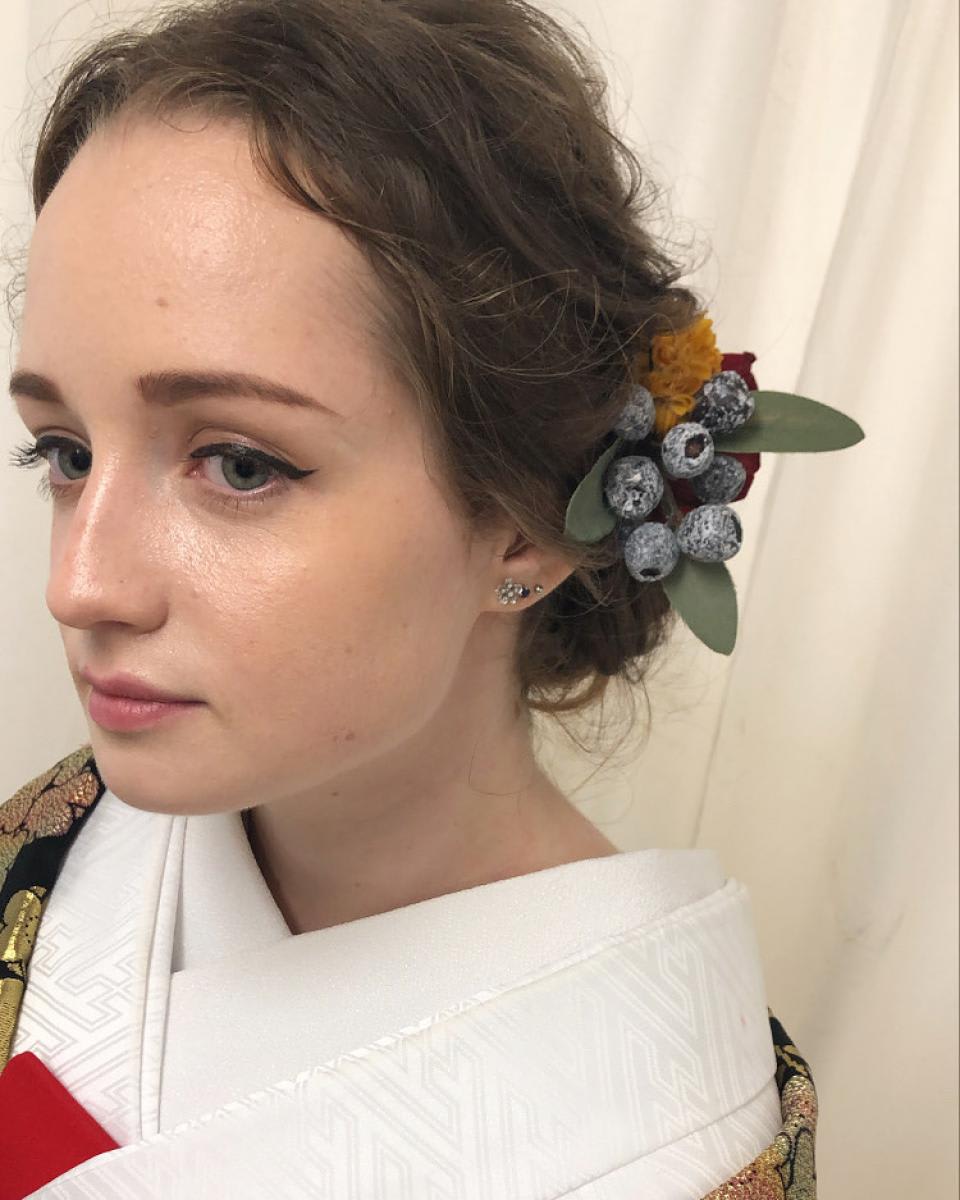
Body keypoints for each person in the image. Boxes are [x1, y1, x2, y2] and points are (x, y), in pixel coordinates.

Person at [0, 1, 818, 1195]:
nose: (81, 586)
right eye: (65, 453)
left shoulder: (680, 1138)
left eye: (240, 464)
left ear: (528, 523)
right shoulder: (59, 842)